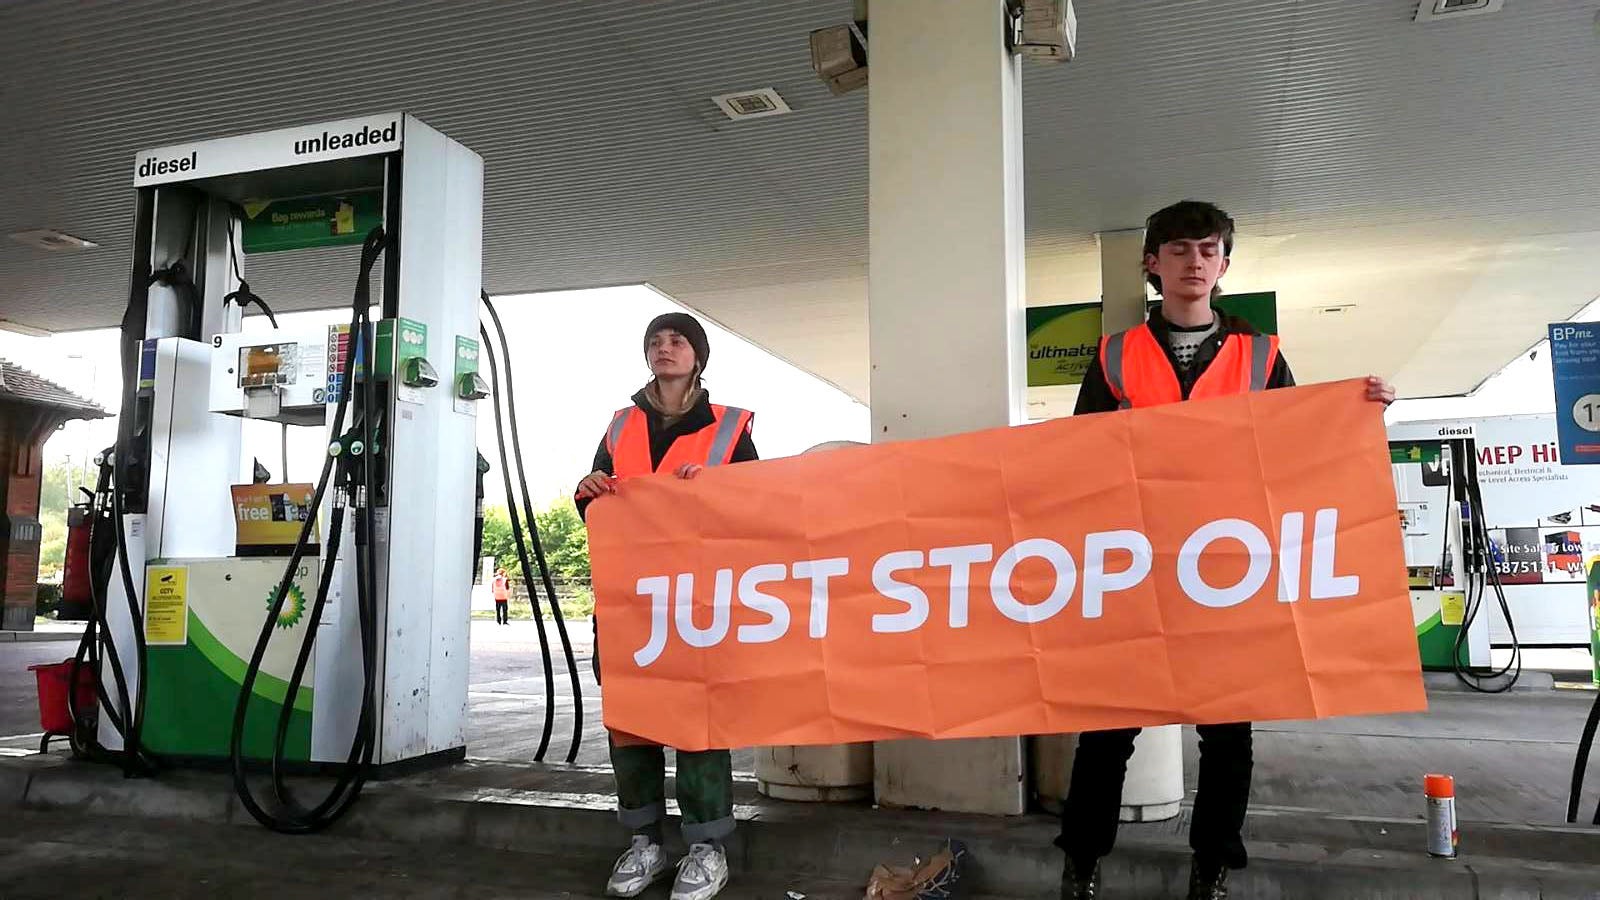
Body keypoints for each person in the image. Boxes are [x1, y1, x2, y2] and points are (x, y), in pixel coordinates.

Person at [1058, 200, 1395, 900]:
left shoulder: (1262, 354)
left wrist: (1358, 410)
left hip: (1227, 572)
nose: (1194, 262)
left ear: (1225, 265)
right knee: (1108, 730)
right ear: (1153, 264)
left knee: (1227, 732)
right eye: (1179, 250)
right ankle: (1082, 863)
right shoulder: (1115, 355)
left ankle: (1210, 867)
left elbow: (1300, 443)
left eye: (1207, 250)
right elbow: (1075, 457)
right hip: (1137, 569)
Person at [575, 311, 757, 900]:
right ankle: (644, 842)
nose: (665, 347)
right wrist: (591, 488)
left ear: (697, 356)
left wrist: (715, 488)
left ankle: (706, 850)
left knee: (698, 722)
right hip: (629, 603)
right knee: (631, 721)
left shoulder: (729, 429)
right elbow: (593, 498)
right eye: (655, 341)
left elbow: (759, 505)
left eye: (677, 340)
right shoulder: (620, 424)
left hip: (699, 602)